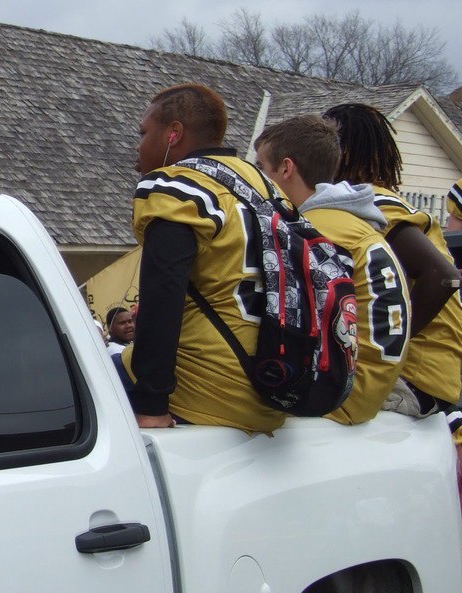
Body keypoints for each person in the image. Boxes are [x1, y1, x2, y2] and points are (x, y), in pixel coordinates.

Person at [123, 83, 285, 432]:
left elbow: (162, 298)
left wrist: (151, 405)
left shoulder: (177, 185)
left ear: (173, 134)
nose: (138, 146)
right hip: (275, 385)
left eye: (143, 133)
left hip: (206, 387)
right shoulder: (262, 184)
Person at [254, 115, 410, 424]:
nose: (255, 177)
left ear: (286, 168)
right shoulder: (350, 221)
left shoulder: (316, 230)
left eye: (261, 168)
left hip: (343, 396)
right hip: (371, 381)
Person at [322, 104, 462, 420]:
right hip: (433, 376)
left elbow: (443, 277)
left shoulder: (373, 207)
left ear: (340, 151)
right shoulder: (380, 199)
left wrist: (390, 342)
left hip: (414, 377)